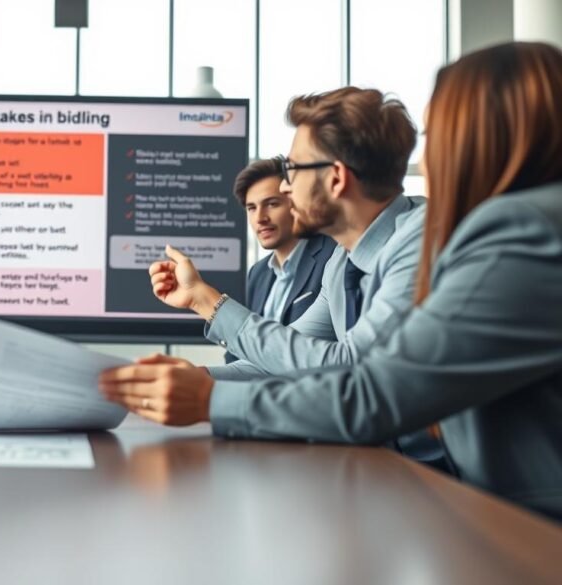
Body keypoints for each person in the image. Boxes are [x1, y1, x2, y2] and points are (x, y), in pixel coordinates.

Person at [101, 41, 562, 519]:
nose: (283, 186)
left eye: (439, 132)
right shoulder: (346, 261)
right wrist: (189, 378)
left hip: (524, 530)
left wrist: (211, 398)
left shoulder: (515, 233)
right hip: (456, 503)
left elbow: (368, 386)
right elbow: (292, 360)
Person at [224, 157, 336, 362]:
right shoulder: (257, 274)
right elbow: (238, 347)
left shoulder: (332, 256)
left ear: (296, 202)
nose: (260, 218)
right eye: (251, 208)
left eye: (272, 204)